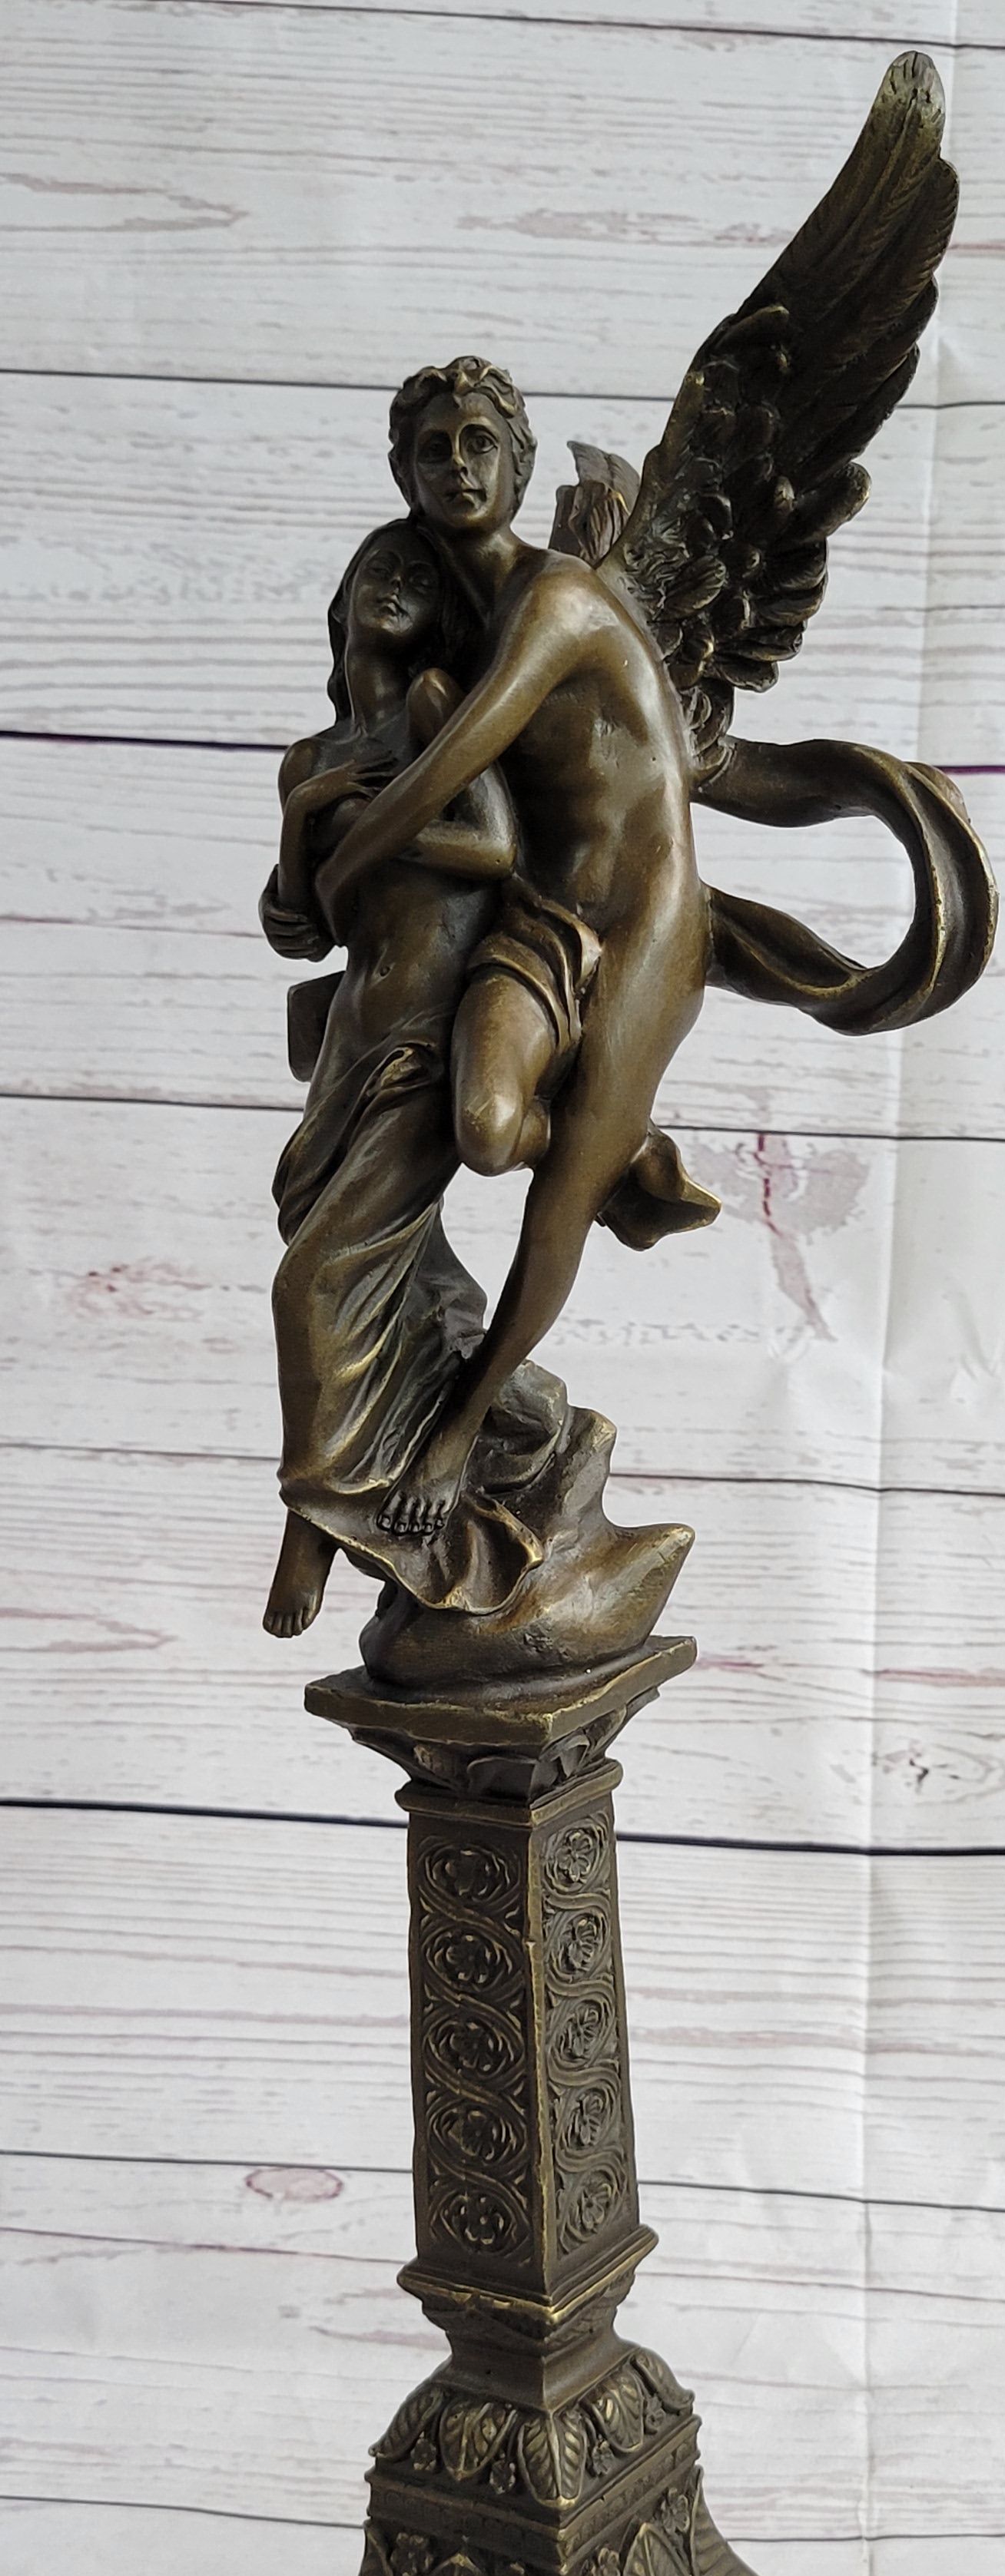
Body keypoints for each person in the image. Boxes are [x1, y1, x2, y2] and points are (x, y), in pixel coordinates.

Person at [315, 358, 714, 1548]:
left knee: (557, 1196)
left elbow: (449, 767)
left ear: (521, 464)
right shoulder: (447, 616)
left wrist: (334, 875)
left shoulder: (556, 602)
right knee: (487, 1132)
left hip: (645, 923)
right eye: (434, 449)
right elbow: (399, 748)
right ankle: (614, 1147)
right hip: (540, 913)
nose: (457, 467)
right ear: (404, 472)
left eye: (480, 443)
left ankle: (461, 1426)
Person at [259, 514, 531, 1635]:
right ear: (343, 600)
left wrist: (378, 822)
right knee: (401, 1277)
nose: (397, 582)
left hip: (425, 1040)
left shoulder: (436, 710)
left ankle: (313, 1517)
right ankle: (511, 1414)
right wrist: (306, 818)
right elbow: (300, 926)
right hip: (347, 1041)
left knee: (314, 1284)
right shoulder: (310, 760)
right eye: (379, 566)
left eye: (419, 574)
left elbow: (497, 848)